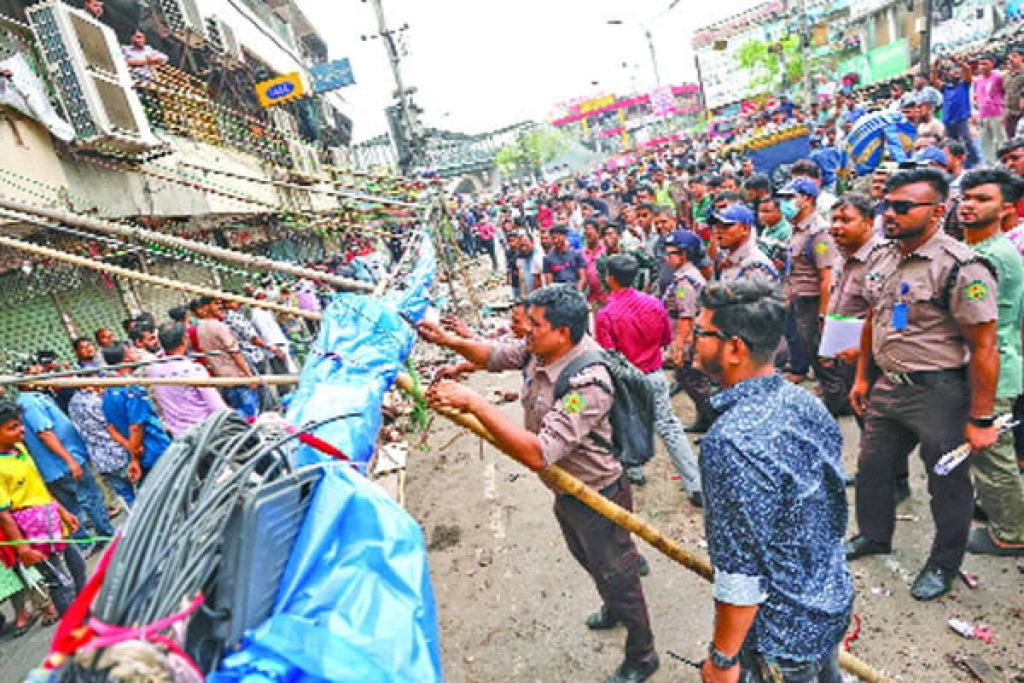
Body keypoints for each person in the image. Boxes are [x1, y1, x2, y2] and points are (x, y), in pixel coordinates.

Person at [420, 285, 659, 683]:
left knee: (618, 575)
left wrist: (475, 404)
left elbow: (538, 453)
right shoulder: (539, 350)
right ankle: (614, 606)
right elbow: (494, 356)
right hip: (566, 491)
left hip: (598, 495)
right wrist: (451, 341)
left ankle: (642, 652)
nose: (525, 331)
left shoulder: (588, 384)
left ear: (563, 332)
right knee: (588, 558)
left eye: (534, 324)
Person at [846, 168, 999, 601]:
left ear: (936, 212)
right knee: (873, 468)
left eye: (902, 207)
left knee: (946, 483)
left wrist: (981, 418)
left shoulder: (961, 267)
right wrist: (863, 376)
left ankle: (942, 564)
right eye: (886, 205)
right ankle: (874, 535)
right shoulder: (883, 255)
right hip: (888, 388)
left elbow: (985, 348)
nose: (889, 214)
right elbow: (874, 319)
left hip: (940, 393)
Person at [693, 280, 852, 683]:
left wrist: (723, 660)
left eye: (701, 332)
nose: (694, 340)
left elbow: (741, 573)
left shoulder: (730, 443)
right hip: (829, 600)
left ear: (734, 348)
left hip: (782, 635)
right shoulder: (805, 402)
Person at [595, 253, 703, 503]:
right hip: (653, 373)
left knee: (625, 423)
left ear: (610, 278)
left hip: (625, 378)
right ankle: (695, 483)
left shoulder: (606, 314)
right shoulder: (654, 304)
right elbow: (665, 339)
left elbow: (608, 356)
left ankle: (634, 470)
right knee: (668, 426)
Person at [956, 169, 1024, 556]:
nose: (968, 204)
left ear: (1007, 209)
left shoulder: (990, 258)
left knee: (993, 454)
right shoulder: (987, 251)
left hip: (990, 370)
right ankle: (999, 510)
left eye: (982, 199)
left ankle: (1011, 533)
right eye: (966, 196)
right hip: (997, 363)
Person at [0, 400, 87, 616]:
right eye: (12, 427)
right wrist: (23, 549)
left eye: (20, 425)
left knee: (78, 566)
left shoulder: (20, 449)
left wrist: (63, 512)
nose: (21, 430)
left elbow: (38, 486)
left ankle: (87, 612)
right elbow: (3, 514)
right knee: (58, 582)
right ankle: (73, 632)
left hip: (51, 519)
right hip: (31, 531)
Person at [16, 369, 115, 555]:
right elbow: (44, 434)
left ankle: (85, 545)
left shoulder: (33, 399)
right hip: (63, 463)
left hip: (55, 466)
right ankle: (106, 535)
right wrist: (70, 460)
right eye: (34, 373)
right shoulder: (29, 403)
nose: (41, 374)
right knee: (89, 498)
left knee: (73, 505)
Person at [819, 193, 883, 419]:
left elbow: (895, 317)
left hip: (873, 358)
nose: (837, 226)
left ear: (868, 222)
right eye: (834, 220)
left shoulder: (882, 260)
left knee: (874, 418)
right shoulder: (842, 255)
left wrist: (863, 349)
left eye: (846, 220)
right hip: (845, 354)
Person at [777, 178, 836, 385]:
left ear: (807, 199)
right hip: (798, 299)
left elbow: (826, 276)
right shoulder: (797, 229)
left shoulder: (818, 234)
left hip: (813, 302)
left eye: (790, 198)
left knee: (820, 353)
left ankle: (835, 397)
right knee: (807, 347)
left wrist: (823, 314)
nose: (784, 203)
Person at [101, 344, 172, 480]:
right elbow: (136, 426)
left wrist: (131, 451)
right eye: (131, 351)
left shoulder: (107, 391)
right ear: (126, 359)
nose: (136, 354)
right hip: (154, 449)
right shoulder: (132, 389)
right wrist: (134, 451)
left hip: (139, 454)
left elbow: (111, 429)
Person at [67, 386, 136, 508]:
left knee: (125, 495)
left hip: (99, 458)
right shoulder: (97, 402)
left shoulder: (72, 403)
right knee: (140, 491)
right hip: (117, 452)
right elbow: (113, 425)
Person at [197, 297, 261, 418]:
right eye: (216, 304)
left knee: (240, 417)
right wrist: (249, 376)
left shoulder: (200, 329)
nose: (220, 306)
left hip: (224, 380)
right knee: (252, 416)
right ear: (205, 307)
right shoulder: (220, 327)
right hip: (239, 378)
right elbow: (235, 353)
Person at [712, 204, 778, 284]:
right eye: (717, 225)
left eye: (726, 226)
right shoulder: (725, 255)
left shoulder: (756, 265)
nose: (718, 230)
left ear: (745, 229)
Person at [973, 54, 1006, 165]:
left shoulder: (998, 77)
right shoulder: (978, 80)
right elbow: (976, 96)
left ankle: (1003, 163)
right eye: (980, 64)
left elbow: (1004, 92)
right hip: (983, 115)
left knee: (1000, 140)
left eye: (985, 63)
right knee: (986, 142)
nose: (982, 66)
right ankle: (991, 165)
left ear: (992, 64)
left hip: (997, 113)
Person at [1003, 45, 1024, 139]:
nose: (1011, 59)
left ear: (1022, 57)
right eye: (1010, 57)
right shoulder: (1007, 75)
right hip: (1010, 114)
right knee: (1012, 142)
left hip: (1022, 114)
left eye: (1015, 56)